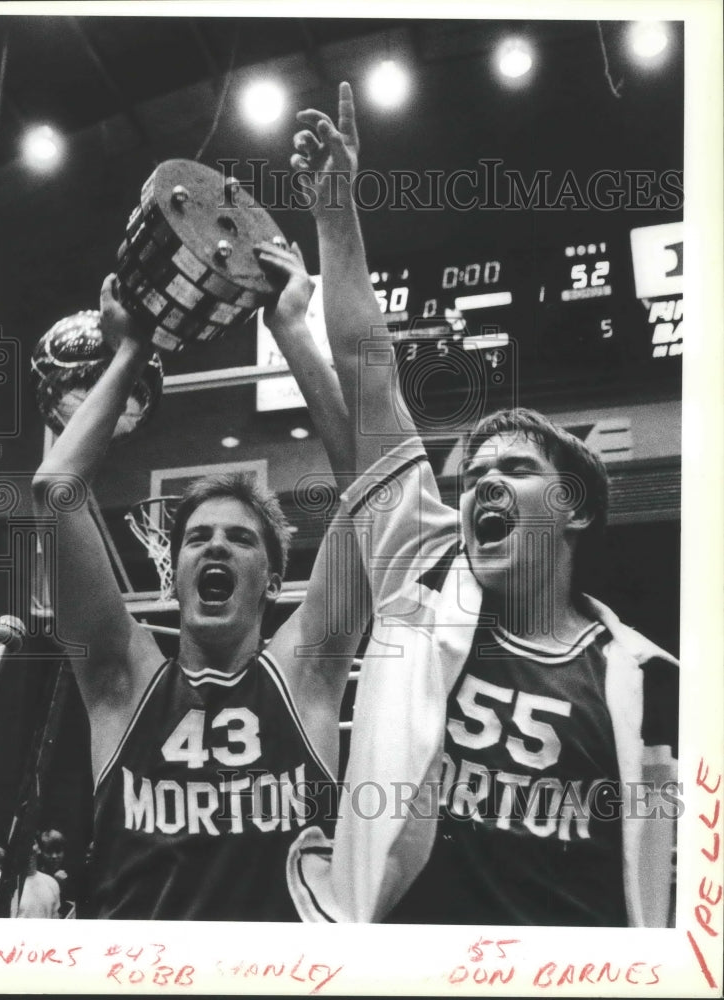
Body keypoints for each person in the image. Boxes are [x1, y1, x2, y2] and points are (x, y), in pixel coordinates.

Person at [285, 83, 679, 927]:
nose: (482, 484)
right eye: (472, 475)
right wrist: (335, 212)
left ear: (573, 507)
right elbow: (366, 364)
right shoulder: (423, 572)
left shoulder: (656, 680)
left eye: (514, 469)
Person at [32, 242, 366, 920]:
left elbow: (375, 484)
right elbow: (54, 491)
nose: (216, 546)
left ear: (273, 581)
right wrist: (130, 351)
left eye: (240, 539)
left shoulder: (305, 673)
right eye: (197, 539)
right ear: (173, 572)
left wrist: (292, 331)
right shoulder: (123, 678)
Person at [0, 840, 61, 919]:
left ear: (39, 849)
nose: (28, 848)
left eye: (32, 843)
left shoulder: (51, 883)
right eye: (22, 843)